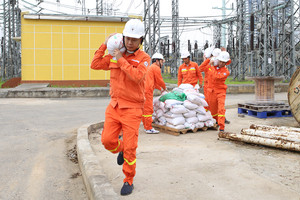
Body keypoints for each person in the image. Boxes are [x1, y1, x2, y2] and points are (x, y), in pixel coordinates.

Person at [90, 19, 151, 196]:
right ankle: (121, 148)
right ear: (123, 37)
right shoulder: (114, 54)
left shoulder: (144, 59)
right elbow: (94, 64)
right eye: (128, 38)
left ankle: (128, 179)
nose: (130, 42)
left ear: (141, 40)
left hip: (132, 108)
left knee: (131, 148)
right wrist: (104, 44)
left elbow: (137, 76)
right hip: (115, 106)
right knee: (107, 141)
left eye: (135, 39)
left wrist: (121, 60)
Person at [203, 51, 231, 132]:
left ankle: (222, 127)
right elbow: (200, 68)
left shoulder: (226, 72)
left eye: (223, 62)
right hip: (212, 92)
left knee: (221, 109)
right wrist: (207, 60)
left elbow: (216, 77)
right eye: (220, 61)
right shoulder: (212, 67)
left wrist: (211, 66)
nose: (221, 63)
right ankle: (218, 121)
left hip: (221, 92)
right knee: (213, 111)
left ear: (226, 62)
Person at [142, 53, 166, 134]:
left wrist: (160, 89)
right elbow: (159, 80)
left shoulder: (151, 67)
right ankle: (148, 128)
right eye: (162, 62)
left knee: (145, 109)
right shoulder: (156, 67)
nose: (162, 64)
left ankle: (146, 126)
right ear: (157, 61)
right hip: (147, 91)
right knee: (148, 109)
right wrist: (164, 88)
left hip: (145, 90)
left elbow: (155, 82)